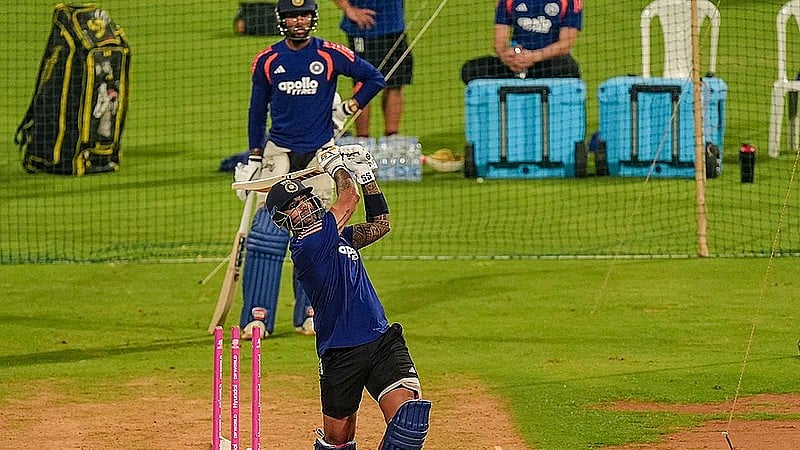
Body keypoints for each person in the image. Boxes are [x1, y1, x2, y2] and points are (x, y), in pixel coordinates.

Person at [234, 0, 385, 340]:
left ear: (312, 18)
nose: (298, 21)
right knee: (266, 236)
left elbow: (374, 78)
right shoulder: (267, 60)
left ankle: (311, 312)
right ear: (281, 20)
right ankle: (258, 316)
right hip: (279, 152)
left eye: (303, 15)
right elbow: (257, 111)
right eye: (291, 16)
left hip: (321, 155)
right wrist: (254, 158)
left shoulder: (331, 54)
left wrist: (350, 105)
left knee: (318, 234)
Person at [263, 145, 431, 450]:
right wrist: (337, 166)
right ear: (282, 219)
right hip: (340, 353)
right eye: (292, 206)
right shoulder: (308, 247)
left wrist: (367, 175)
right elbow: (348, 199)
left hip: (381, 340)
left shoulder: (335, 234)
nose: (302, 206)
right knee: (338, 443)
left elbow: (381, 224)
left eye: (302, 199)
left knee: (409, 423)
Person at [332, 0, 412, 137]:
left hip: (395, 26)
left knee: (396, 83)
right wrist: (348, 8)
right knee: (362, 84)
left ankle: (392, 140)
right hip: (363, 29)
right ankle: (363, 140)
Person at [460, 0, 583, 85]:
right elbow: (499, 41)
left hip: (548, 61)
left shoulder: (570, 1)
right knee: (471, 70)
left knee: (569, 70)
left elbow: (565, 44)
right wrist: (506, 55)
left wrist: (534, 57)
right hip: (515, 63)